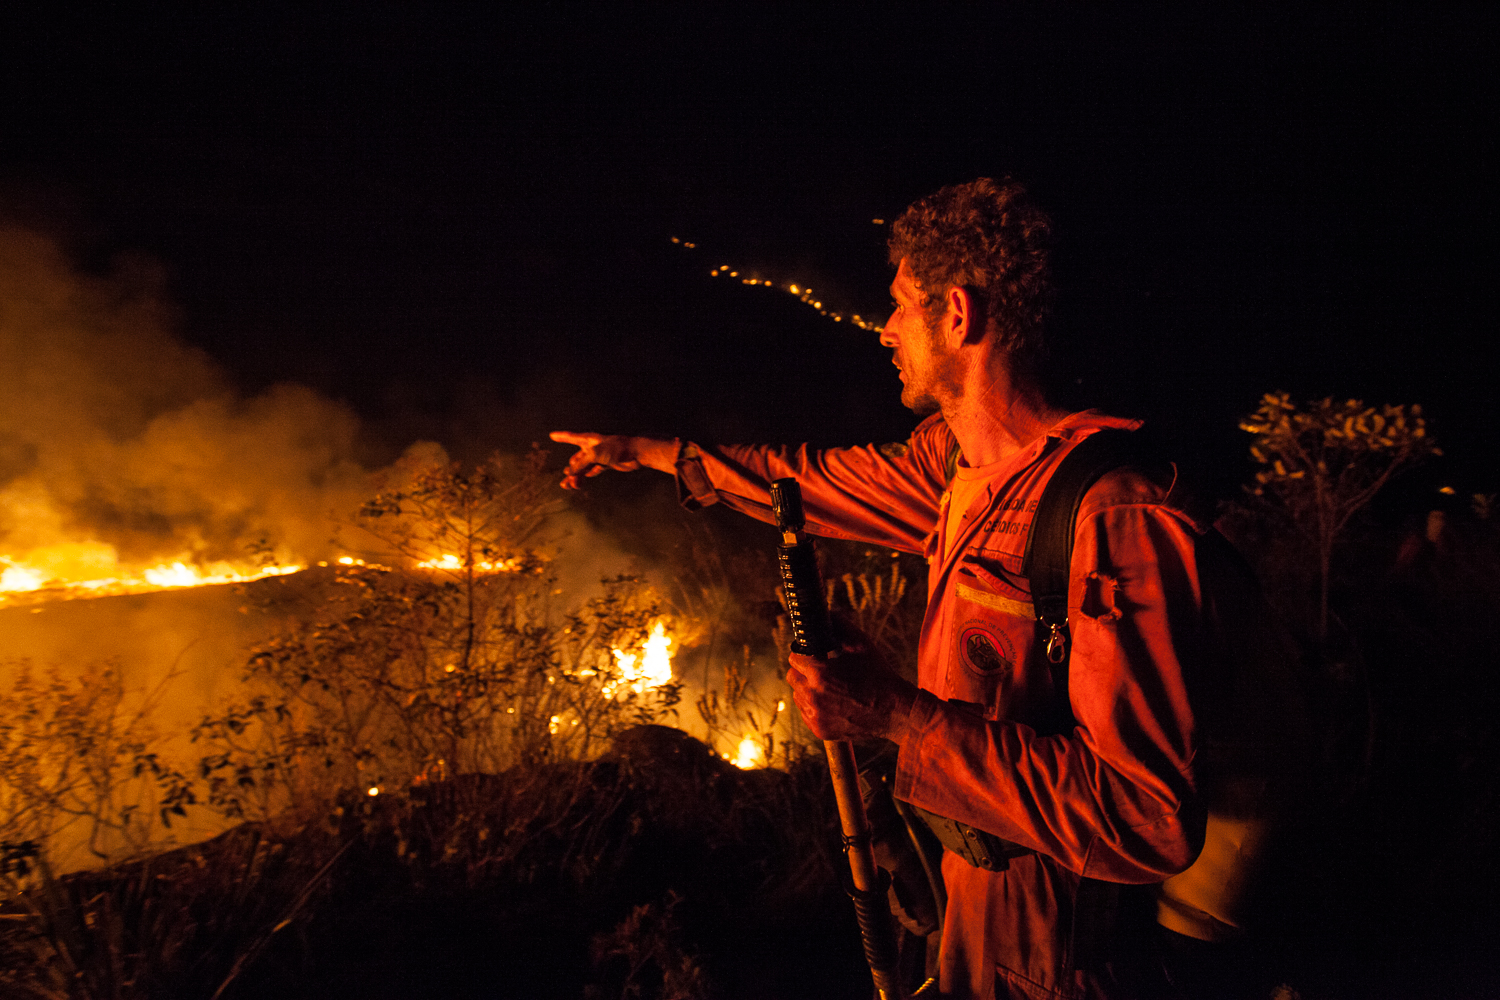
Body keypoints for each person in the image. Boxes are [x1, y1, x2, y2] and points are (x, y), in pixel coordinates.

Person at [551, 178, 1304, 999]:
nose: (885, 330)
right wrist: (651, 454)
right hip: (977, 910)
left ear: (960, 314)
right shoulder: (951, 465)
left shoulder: (1114, 519)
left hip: (1071, 952)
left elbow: (1140, 815)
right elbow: (800, 486)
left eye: (902, 304)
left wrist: (893, 715)